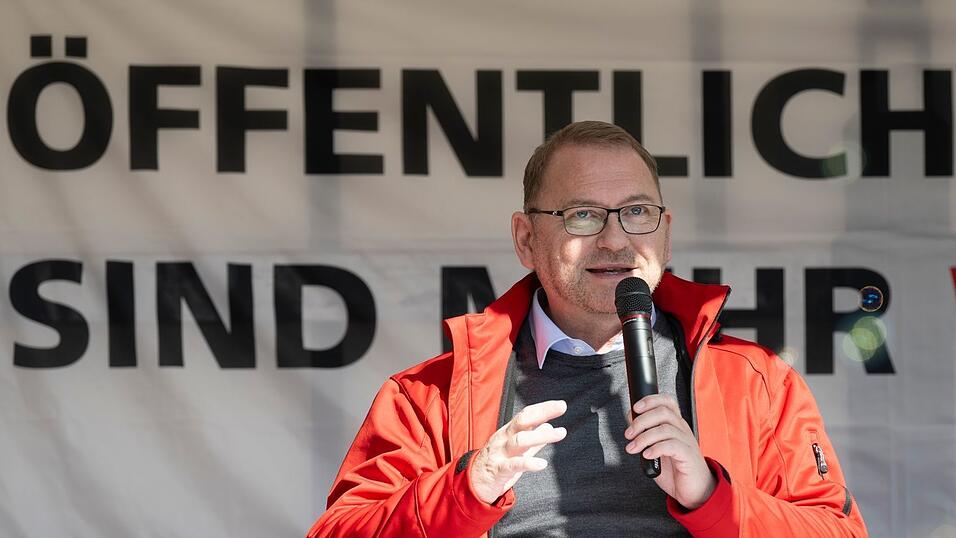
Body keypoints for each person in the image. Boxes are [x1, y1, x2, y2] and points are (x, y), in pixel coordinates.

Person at [307, 121, 868, 537]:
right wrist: (467, 486)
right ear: (526, 239)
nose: (616, 240)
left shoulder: (757, 384)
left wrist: (711, 496)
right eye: (582, 215)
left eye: (637, 212)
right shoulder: (430, 394)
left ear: (665, 233)